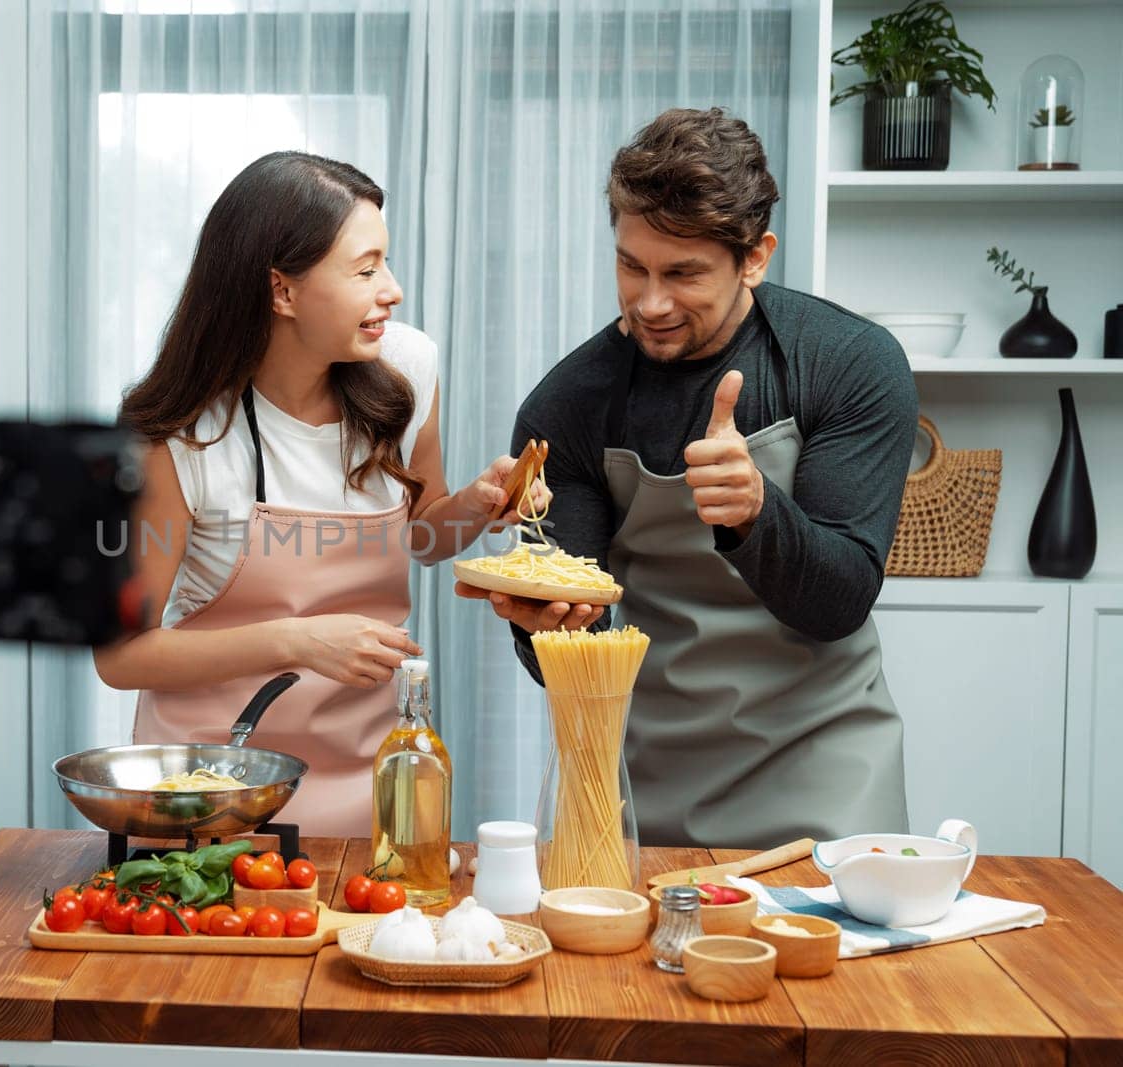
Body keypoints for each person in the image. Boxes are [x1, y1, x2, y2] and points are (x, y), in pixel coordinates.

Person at [459, 108, 917, 849]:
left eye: (683, 273)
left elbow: (839, 600)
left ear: (756, 257)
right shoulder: (568, 403)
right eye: (631, 265)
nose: (650, 302)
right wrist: (544, 621)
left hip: (823, 768)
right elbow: (571, 647)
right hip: (641, 779)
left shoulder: (848, 364)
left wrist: (758, 512)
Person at [95, 151, 545, 836]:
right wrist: (296, 641)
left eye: (384, 264)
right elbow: (121, 656)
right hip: (215, 789)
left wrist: (479, 504)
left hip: (371, 774)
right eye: (366, 270)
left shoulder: (406, 368)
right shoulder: (182, 436)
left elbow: (423, 535)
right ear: (282, 291)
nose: (390, 289)